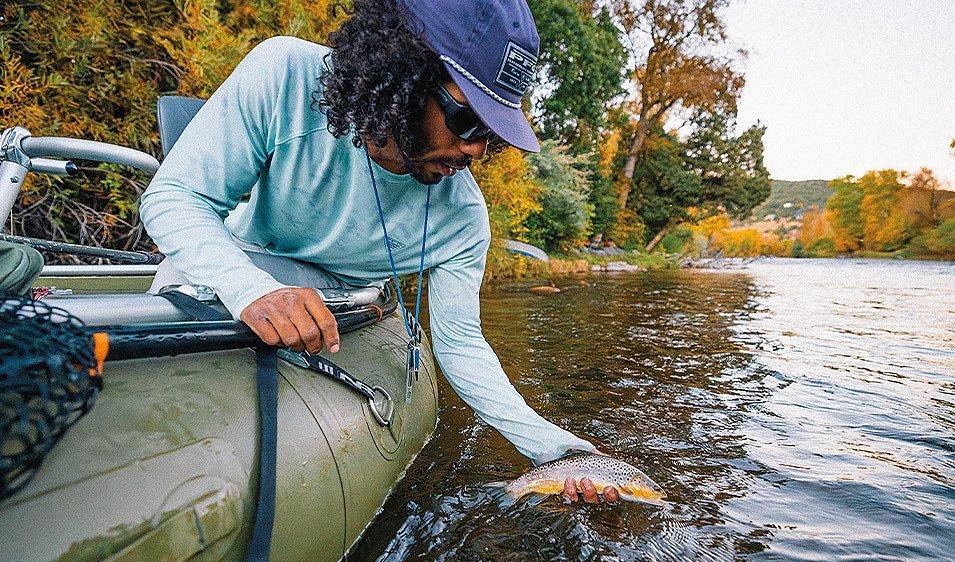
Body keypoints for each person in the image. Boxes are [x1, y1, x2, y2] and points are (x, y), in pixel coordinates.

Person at [140, 0, 619, 504]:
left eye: (493, 133)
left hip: (347, 316)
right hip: (241, 276)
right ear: (405, 76)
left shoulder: (464, 219)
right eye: (470, 121)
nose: (478, 150)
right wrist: (255, 291)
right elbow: (176, 196)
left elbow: (460, 344)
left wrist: (559, 451)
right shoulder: (285, 75)